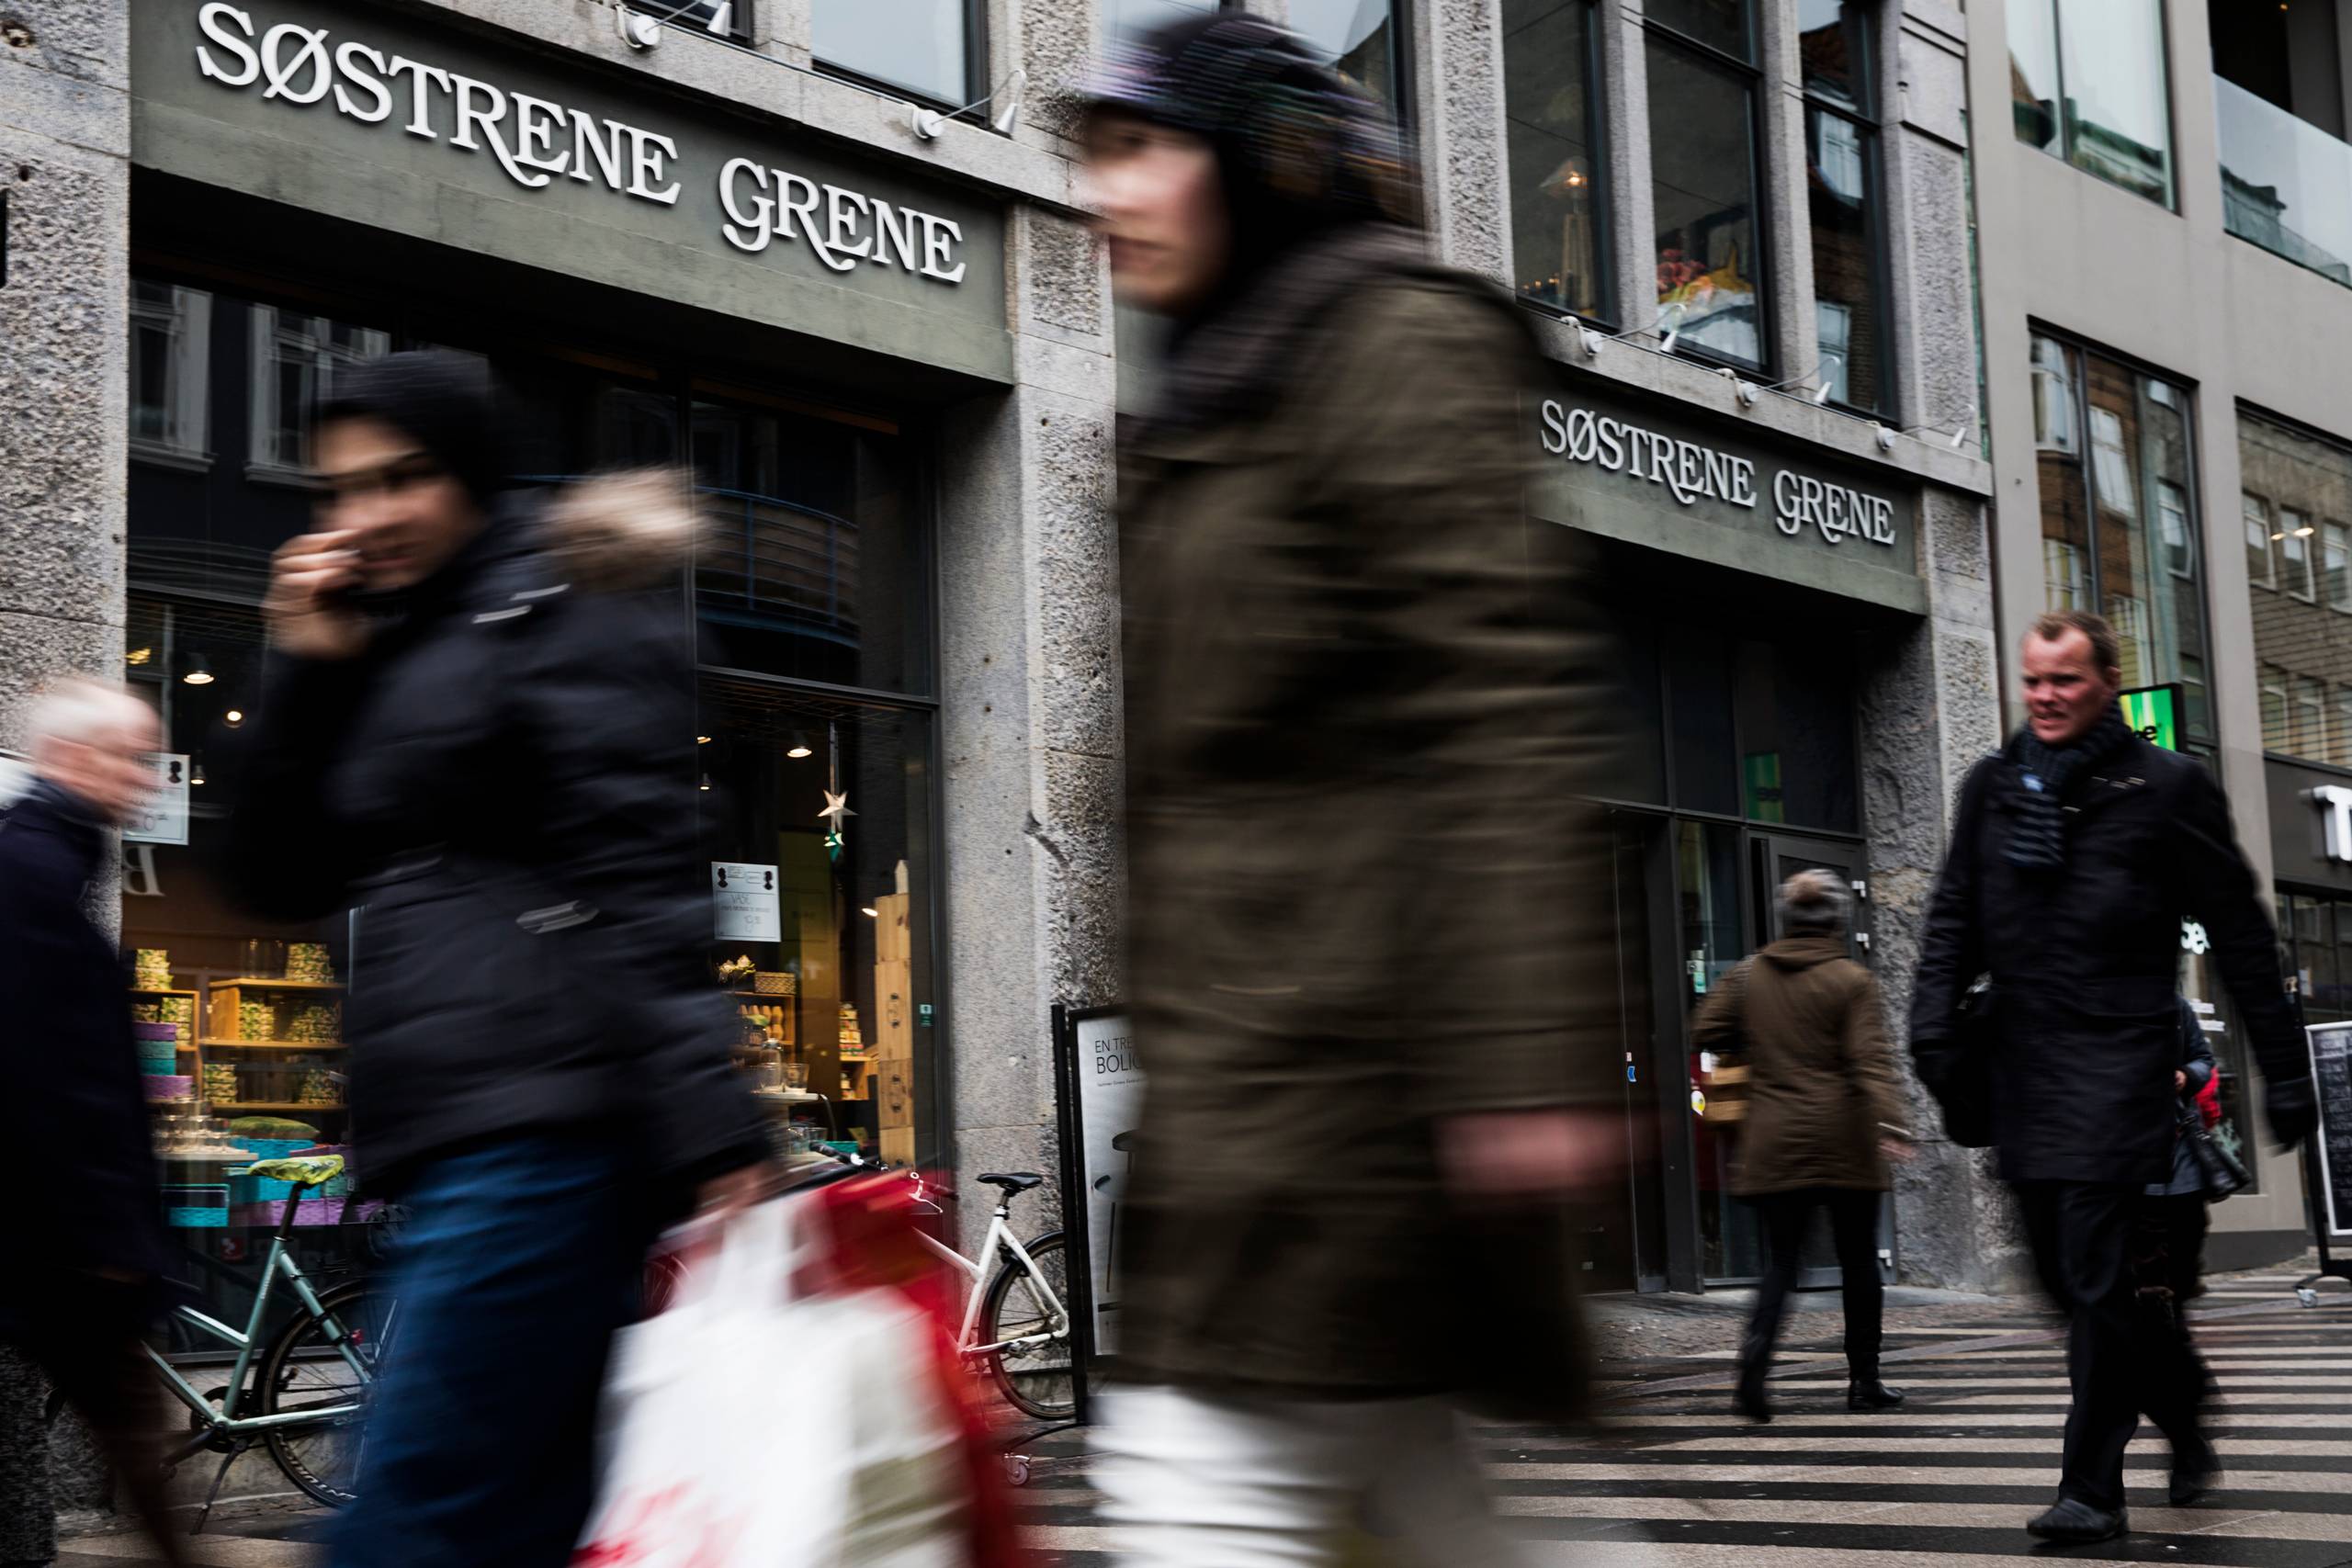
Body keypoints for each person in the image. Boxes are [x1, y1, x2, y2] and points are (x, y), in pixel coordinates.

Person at [1083, 17, 1621, 1566]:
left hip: (1352, 1093)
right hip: (1252, 1096)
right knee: (1410, 1507)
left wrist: (1524, 1059)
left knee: (1199, 1489)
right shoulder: (1206, 405)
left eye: (1139, 149)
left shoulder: (1393, 344)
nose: (1101, 193)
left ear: (1255, 165)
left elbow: (1498, 699)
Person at [223, 353, 768, 1566]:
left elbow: (640, 864)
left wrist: (713, 1118)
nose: (365, 515)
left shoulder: (560, 598)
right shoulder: (394, 645)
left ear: (468, 475)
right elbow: (279, 874)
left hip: (550, 1122)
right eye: (341, 489)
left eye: (400, 478)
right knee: (514, 1517)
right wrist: (304, 667)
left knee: (411, 1513)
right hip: (465, 1129)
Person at [1910, 609, 2313, 1544]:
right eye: (2034, 680)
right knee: (2061, 1282)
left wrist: (2282, 1073)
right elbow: (1949, 921)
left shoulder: (2165, 787)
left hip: (2120, 1059)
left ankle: (2090, 1488)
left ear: (2106, 685)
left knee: (2094, 1281)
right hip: (2021, 1063)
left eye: (2065, 681)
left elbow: (2244, 939)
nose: (2045, 697)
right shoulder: (1993, 788)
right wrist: (1931, 1035)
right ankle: (2181, 1407)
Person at [0, 679, 192, 1568]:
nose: (144, 780)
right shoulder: (32, 873)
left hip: (54, 1233)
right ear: (70, 759)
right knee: (136, 1441)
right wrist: (105, 1232)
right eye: (128, 758)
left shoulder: (48, 863)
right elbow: (50, 1076)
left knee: (135, 1444)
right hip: (62, 1241)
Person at [1692, 869, 1911, 1425]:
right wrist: (1893, 1122)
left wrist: (1756, 1043)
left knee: (1781, 1263)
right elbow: (1870, 1060)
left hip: (1777, 1139)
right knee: (1859, 1260)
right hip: (1845, 1141)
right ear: (1837, 920)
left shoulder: (1748, 975)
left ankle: (1752, 1376)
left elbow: (1705, 1029)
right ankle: (1864, 1381)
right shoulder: (1851, 980)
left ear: (1785, 920)